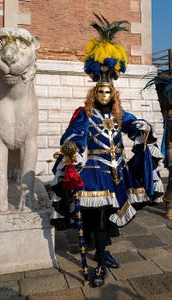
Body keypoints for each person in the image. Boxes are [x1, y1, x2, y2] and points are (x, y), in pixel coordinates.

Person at [50, 15, 164, 287]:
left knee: (108, 219)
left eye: (108, 91)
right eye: (100, 91)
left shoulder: (119, 114)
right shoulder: (84, 114)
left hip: (117, 174)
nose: (104, 95)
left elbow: (134, 127)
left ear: (113, 93)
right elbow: (74, 135)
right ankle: (100, 261)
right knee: (99, 217)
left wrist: (142, 126)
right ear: (94, 92)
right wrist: (72, 147)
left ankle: (102, 248)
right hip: (94, 175)